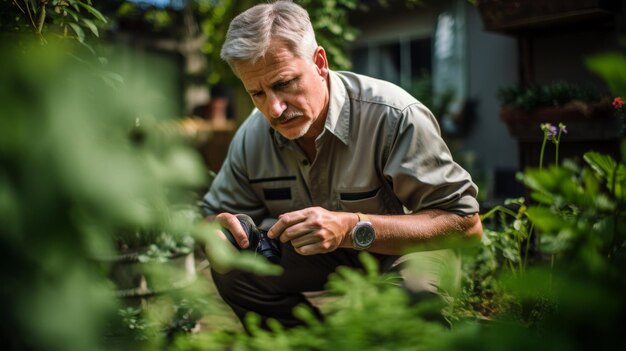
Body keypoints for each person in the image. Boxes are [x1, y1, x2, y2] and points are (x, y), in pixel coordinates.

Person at [200, 0, 482, 330]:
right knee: (233, 269)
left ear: (319, 62)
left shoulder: (394, 115)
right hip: (322, 257)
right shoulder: (252, 135)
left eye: (283, 83)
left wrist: (351, 228)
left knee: (409, 300)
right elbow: (210, 217)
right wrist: (214, 231)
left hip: (408, 250)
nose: (274, 109)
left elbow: (466, 225)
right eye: (256, 93)